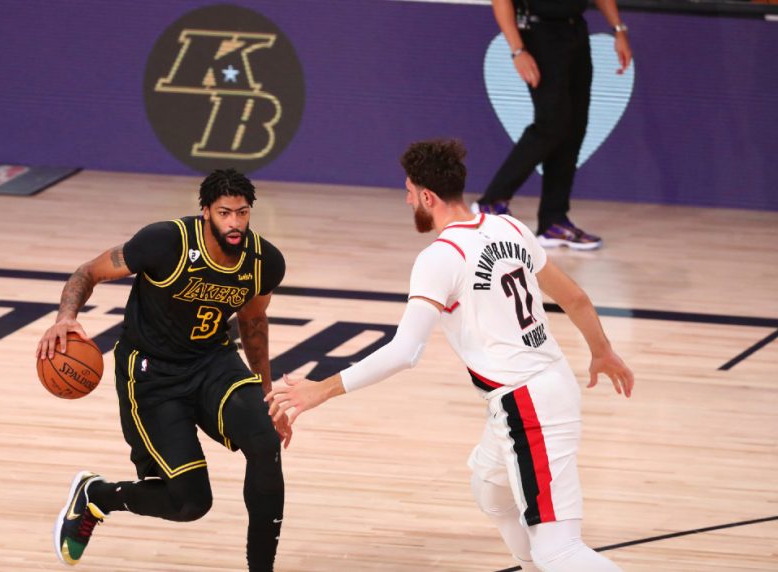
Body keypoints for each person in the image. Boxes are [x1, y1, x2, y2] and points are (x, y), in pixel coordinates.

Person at [267, 139, 634, 571]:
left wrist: (322, 390)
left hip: (527, 404)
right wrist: (602, 351)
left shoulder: (441, 257)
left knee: (559, 549)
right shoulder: (509, 227)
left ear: (428, 196)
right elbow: (575, 298)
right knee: (489, 489)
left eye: (409, 191)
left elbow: (405, 351)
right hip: (547, 383)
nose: (407, 200)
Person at [37, 169, 289, 571]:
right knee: (190, 502)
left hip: (213, 362)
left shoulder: (264, 261)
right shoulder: (165, 242)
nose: (235, 223)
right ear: (205, 211)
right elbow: (89, 271)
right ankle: (96, 496)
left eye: (242, 213)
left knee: (265, 442)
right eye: (224, 213)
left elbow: (254, 321)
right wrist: (66, 317)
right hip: (152, 374)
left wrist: (265, 393)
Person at [472, 0, 633, 250]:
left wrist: (618, 29)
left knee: (574, 127)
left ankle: (553, 222)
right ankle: (492, 201)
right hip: (539, 33)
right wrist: (518, 50)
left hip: (576, 31)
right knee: (552, 124)